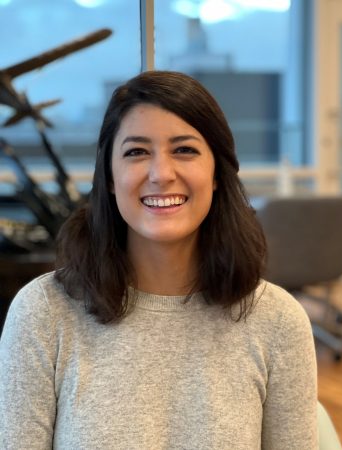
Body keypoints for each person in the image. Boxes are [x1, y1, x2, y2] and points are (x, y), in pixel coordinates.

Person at [0, 71, 318, 449]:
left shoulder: (277, 320)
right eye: (136, 152)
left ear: (217, 172)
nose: (161, 174)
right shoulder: (44, 312)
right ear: (110, 177)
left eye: (184, 149)